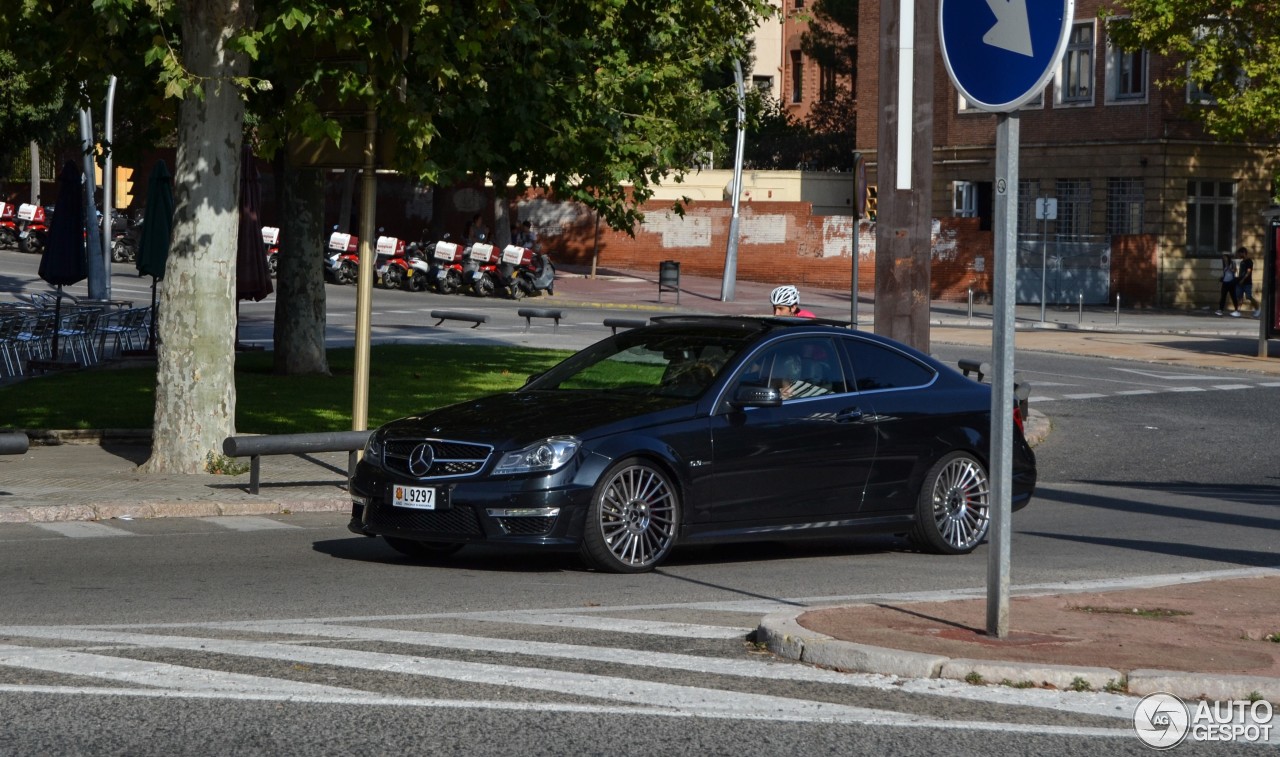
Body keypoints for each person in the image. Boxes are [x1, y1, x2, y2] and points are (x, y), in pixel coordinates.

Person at [1235, 246, 1259, 316]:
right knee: (1239, 297)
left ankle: (1257, 308)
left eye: (1240, 254)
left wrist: (1243, 279)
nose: (1239, 255)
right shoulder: (1242, 262)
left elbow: (1248, 272)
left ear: (1244, 253)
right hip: (1240, 282)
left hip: (1247, 283)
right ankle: (1238, 311)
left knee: (1248, 297)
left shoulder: (1249, 261)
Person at [1216, 252, 1241, 317]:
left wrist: (1229, 268)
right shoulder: (1223, 264)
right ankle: (1220, 310)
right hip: (1225, 282)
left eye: (1225, 257)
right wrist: (1221, 278)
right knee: (1223, 296)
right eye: (1223, 257)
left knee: (1233, 296)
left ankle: (1236, 309)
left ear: (1228, 257)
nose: (1224, 258)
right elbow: (1224, 273)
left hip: (1231, 282)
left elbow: (1235, 271)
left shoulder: (1232, 263)